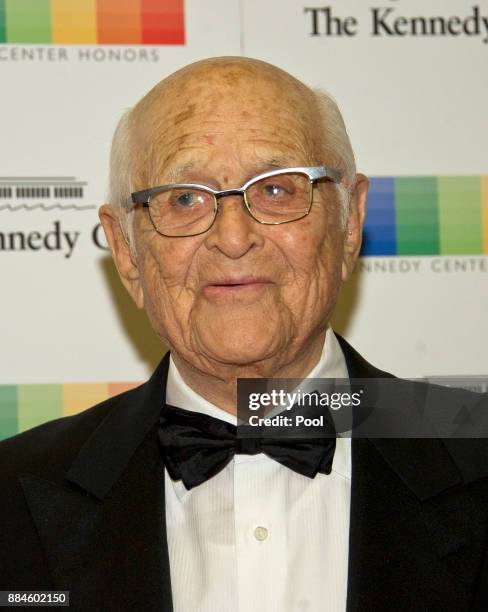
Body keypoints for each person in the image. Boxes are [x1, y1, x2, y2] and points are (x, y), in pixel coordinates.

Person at [1, 57, 488, 612]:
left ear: (349, 221)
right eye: (185, 198)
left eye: (277, 190)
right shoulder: (12, 498)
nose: (234, 237)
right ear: (127, 252)